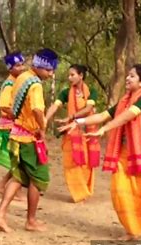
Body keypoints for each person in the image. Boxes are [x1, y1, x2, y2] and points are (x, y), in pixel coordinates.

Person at [58, 64, 141, 240]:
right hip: (124, 153)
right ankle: (132, 229)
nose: (128, 79)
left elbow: (126, 117)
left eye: (132, 76)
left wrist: (103, 129)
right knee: (120, 190)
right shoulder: (124, 101)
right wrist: (78, 122)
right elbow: (102, 116)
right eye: (128, 75)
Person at [0, 48, 58, 233]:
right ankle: (31, 220)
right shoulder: (35, 85)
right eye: (50, 70)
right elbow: (37, 109)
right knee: (38, 179)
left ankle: (1, 214)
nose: (51, 74)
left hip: (16, 135)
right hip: (29, 138)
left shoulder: (22, 78)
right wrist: (42, 128)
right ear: (41, 67)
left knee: (18, 176)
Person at [45, 64, 100, 203]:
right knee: (72, 162)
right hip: (72, 132)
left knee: (86, 163)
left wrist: (71, 117)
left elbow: (88, 109)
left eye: (72, 75)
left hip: (88, 132)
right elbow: (55, 105)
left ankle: (85, 191)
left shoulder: (92, 92)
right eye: (69, 75)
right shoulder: (65, 93)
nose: (69, 78)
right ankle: (78, 193)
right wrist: (45, 119)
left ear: (81, 76)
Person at [0, 52, 26, 201]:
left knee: (19, 159)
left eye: (22, 64)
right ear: (10, 68)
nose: (22, 68)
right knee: (18, 159)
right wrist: (15, 115)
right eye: (18, 65)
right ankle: (12, 189)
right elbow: (4, 106)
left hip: (15, 124)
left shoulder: (17, 82)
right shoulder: (9, 84)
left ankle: (3, 184)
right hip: (9, 126)